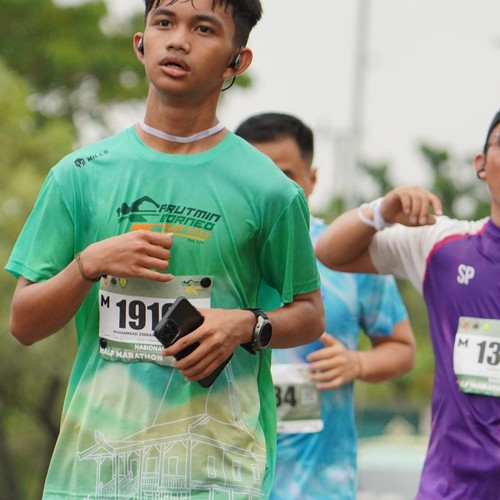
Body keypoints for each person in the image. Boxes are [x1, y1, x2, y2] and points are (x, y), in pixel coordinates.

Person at [5, 2, 325, 498]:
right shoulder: (80, 175)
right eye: (164, 22)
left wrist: (245, 325)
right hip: (92, 479)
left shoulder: (271, 192)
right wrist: (88, 265)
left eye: (204, 28)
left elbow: (309, 314)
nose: (178, 40)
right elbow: (24, 323)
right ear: (140, 44)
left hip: (218, 480)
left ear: (237, 60)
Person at [315, 110, 500, 499]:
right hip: (452, 490)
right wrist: (380, 213)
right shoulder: (442, 244)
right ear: (481, 164)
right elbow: (330, 251)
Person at [235, 112, 416, 499]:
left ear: (312, 179)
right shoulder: (215, 254)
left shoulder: (347, 256)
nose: (271, 190)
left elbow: (402, 349)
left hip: (319, 487)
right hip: (224, 481)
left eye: (285, 176)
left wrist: (358, 363)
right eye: (256, 176)